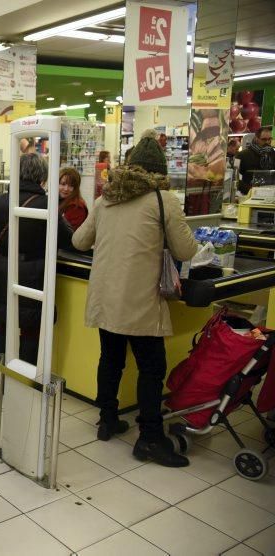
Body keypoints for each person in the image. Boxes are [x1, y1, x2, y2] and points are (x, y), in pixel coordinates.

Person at [72, 136, 198, 467]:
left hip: (105, 297)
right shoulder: (163, 199)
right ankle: (150, 439)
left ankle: (107, 420)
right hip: (140, 300)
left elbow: (79, 241)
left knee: (111, 359)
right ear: (160, 171)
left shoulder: (105, 199)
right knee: (152, 368)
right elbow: (186, 251)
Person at [0, 153, 73, 363]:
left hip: (3, 276)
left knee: (3, 330)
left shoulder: (0, 202)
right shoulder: (47, 205)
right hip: (35, 278)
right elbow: (69, 240)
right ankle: (26, 385)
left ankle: (3, 382)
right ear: (43, 176)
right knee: (31, 333)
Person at [237, 126, 273, 194]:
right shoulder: (243, 155)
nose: (267, 142)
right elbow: (234, 177)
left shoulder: (272, 154)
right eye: (264, 139)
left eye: (269, 139)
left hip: (270, 193)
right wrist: (248, 189)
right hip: (249, 194)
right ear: (256, 138)